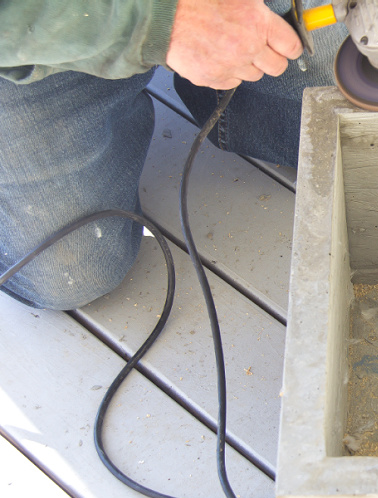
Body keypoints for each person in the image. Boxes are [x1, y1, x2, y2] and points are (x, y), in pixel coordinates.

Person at [0, 0, 346, 310]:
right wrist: (160, 21)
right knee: (71, 269)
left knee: (357, 103)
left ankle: (217, 85)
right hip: (37, 31)